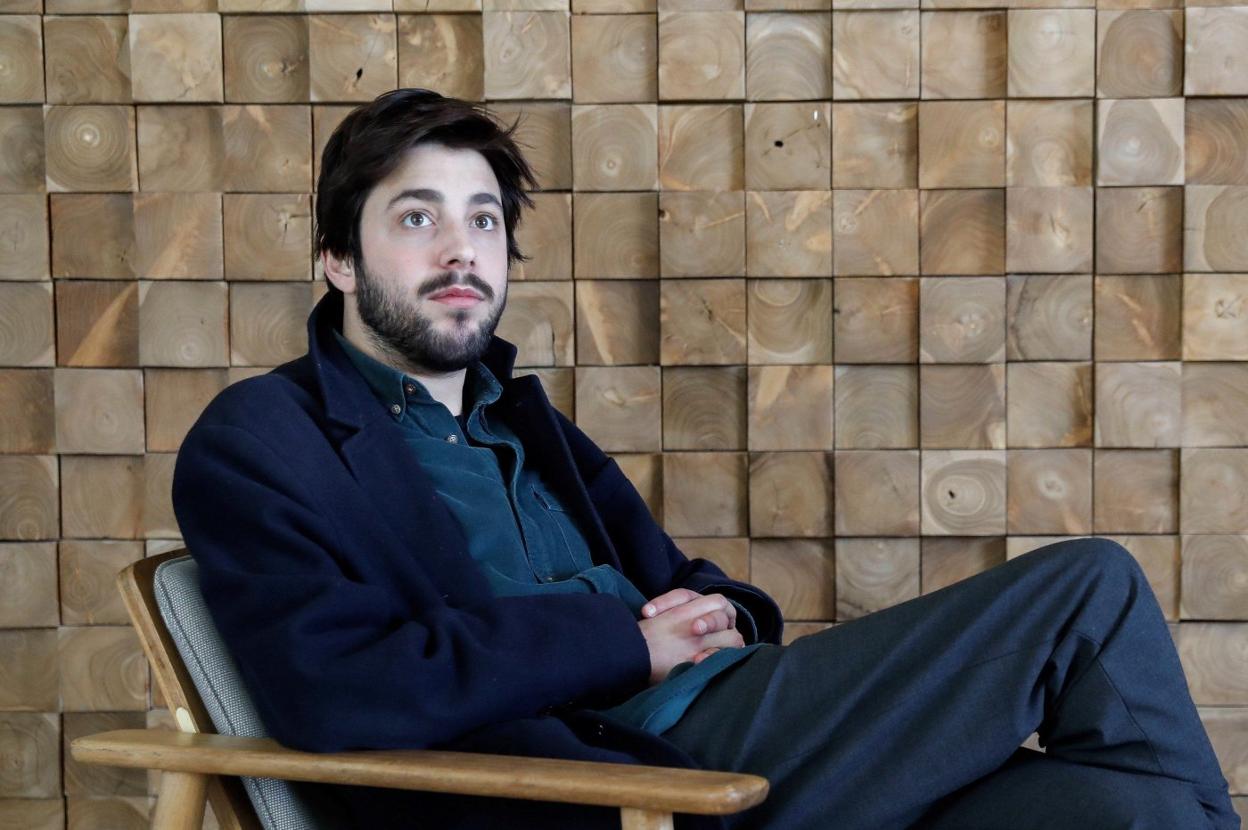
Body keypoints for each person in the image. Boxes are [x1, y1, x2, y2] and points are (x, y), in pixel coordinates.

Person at [171, 88, 1238, 830]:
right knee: (1089, 587)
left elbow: (681, 579)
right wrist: (625, 644)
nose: (461, 251)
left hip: (743, 722)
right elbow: (336, 686)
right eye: (418, 217)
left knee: (1126, 809)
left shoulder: (521, 418)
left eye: (484, 221)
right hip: (625, 780)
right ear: (337, 257)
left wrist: (722, 611)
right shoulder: (264, 440)